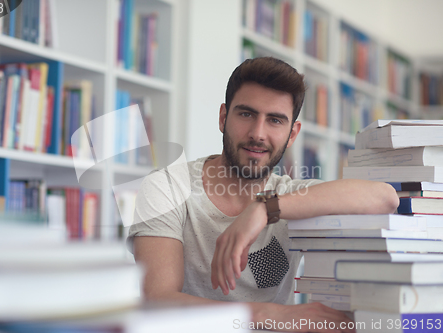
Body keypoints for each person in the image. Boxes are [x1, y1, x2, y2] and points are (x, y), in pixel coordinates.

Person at [127, 57, 399, 332]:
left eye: (275, 120)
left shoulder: (292, 198)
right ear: (223, 118)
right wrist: (270, 315)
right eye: (246, 114)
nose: (258, 133)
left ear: (292, 134)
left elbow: (385, 198)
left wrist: (263, 209)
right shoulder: (168, 187)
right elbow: (158, 299)